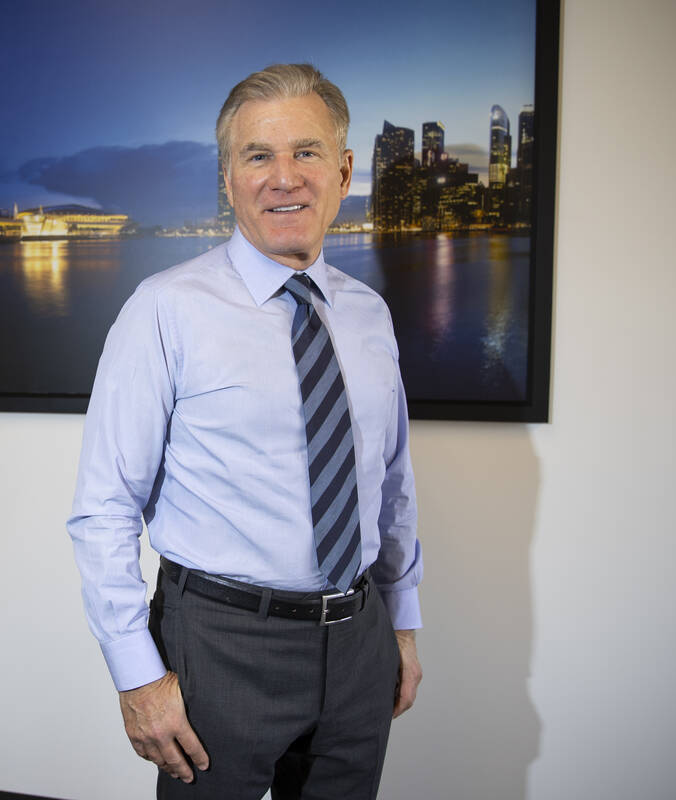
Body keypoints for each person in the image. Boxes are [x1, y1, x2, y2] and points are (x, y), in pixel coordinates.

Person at [67, 63, 422, 799]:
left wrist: (402, 622)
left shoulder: (368, 316)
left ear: (346, 170)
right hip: (219, 649)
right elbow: (103, 507)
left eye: (307, 152)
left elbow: (391, 483)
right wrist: (137, 673)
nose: (283, 178)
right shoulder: (164, 309)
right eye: (258, 156)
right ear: (227, 178)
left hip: (359, 640)